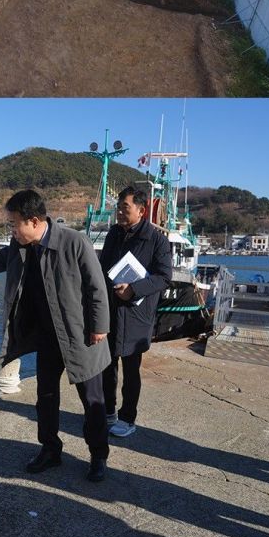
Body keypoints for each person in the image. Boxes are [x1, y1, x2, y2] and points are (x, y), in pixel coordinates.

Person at [0, 189, 111, 482]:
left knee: (92, 399)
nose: (12, 230)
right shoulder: (19, 246)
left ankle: (98, 455)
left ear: (33, 221)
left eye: (14, 223)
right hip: (46, 336)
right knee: (45, 397)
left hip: (80, 335)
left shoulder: (74, 241)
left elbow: (97, 287)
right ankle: (50, 449)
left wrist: (100, 327)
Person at [100, 186, 172, 439]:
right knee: (106, 367)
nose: (119, 212)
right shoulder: (113, 235)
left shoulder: (157, 240)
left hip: (136, 315)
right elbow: (102, 269)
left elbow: (164, 277)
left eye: (124, 208)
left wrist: (134, 289)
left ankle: (128, 417)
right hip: (110, 311)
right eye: (118, 207)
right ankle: (108, 412)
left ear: (141, 211)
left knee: (131, 370)